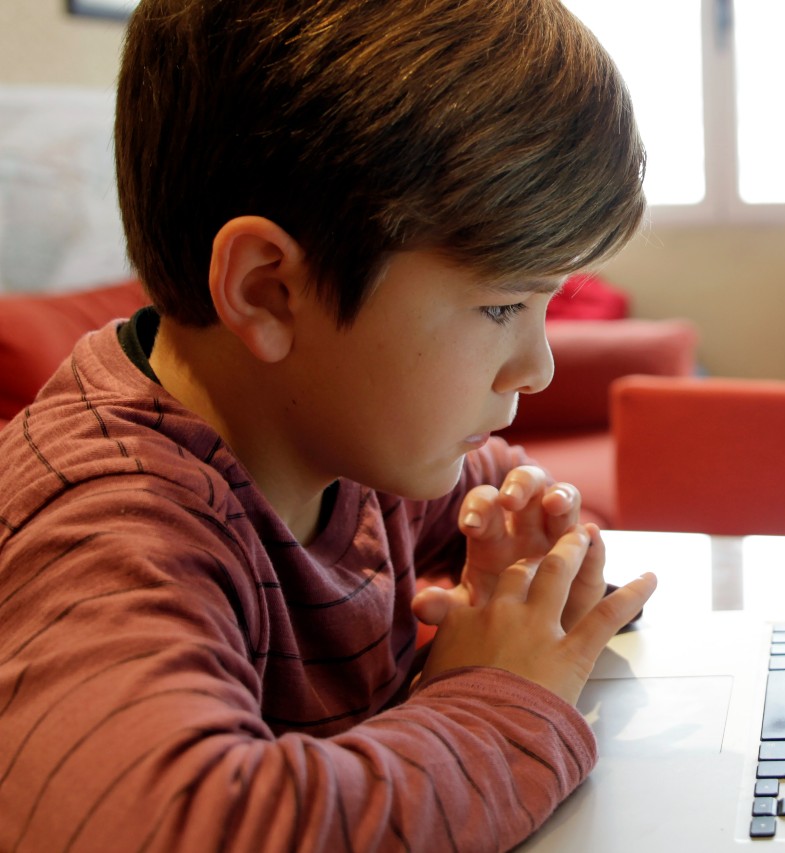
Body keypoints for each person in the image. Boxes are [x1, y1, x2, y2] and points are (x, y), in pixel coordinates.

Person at [0, 0, 655, 850]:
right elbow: (172, 825)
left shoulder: (349, 445)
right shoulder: (111, 525)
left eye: (546, 305)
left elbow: (495, 483)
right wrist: (502, 699)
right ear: (269, 291)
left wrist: (538, 554)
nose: (538, 367)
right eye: (502, 305)